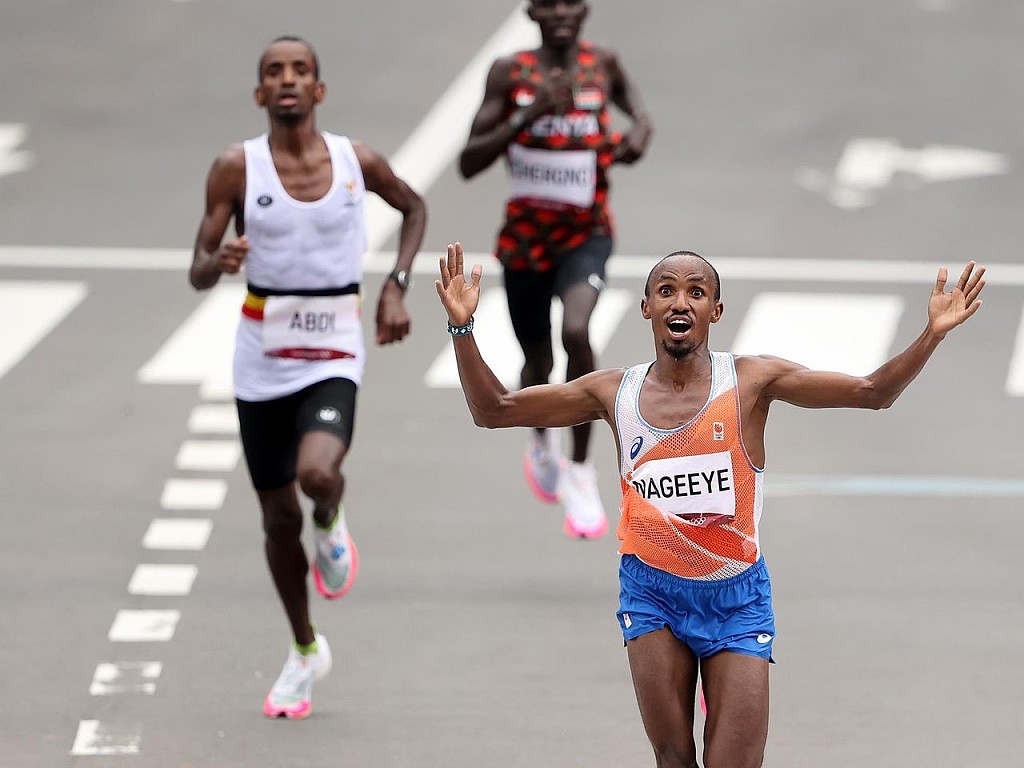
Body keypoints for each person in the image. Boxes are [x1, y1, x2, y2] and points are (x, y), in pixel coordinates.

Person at [435, 242, 985, 767]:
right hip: (651, 593)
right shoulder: (612, 393)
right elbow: (496, 410)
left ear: (715, 310)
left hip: (738, 600)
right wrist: (462, 327)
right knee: (673, 758)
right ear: (647, 307)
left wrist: (930, 335)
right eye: (667, 290)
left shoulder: (750, 382)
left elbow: (872, 391)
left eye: (696, 292)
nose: (681, 301)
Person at [189, 35, 426, 720]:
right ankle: (303, 650)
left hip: (332, 350)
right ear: (260, 94)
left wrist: (395, 287)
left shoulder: (358, 162)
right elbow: (197, 266)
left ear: (318, 91)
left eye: (300, 71)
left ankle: (332, 518)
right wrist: (221, 262)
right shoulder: (236, 168)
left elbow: (413, 208)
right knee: (273, 516)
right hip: (262, 357)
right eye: (273, 73)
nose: (287, 80)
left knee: (316, 474)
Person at [458, 0, 653, 539]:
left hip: (586, 234)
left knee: (576, 331)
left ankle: (582, 467)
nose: (563, 12)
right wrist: (529, 114)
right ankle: (540, 438)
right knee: (537, 359)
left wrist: (637, 136)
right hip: (525, 242)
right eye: (551, 4)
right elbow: (469, 161)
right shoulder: (511, 73)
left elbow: (642, 118)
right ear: (533, 12)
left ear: (584, 10)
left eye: (572, 3)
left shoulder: (603, 64)